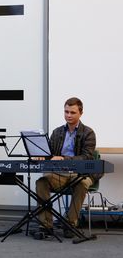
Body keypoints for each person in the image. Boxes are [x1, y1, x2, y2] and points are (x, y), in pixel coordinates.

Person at [35, 97, 97, 239]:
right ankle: (46, 225)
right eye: (66, 112)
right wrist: (40, 156)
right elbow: (49, 154)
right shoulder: (57, 132)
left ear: (80, 113)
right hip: (60, 174)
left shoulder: (88, 133)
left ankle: (70, 224)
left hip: (80, 173)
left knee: (82, 183)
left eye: (72, 112)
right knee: (41, 182)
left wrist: (64, 158)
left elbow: (87, 157)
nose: (68, 115)